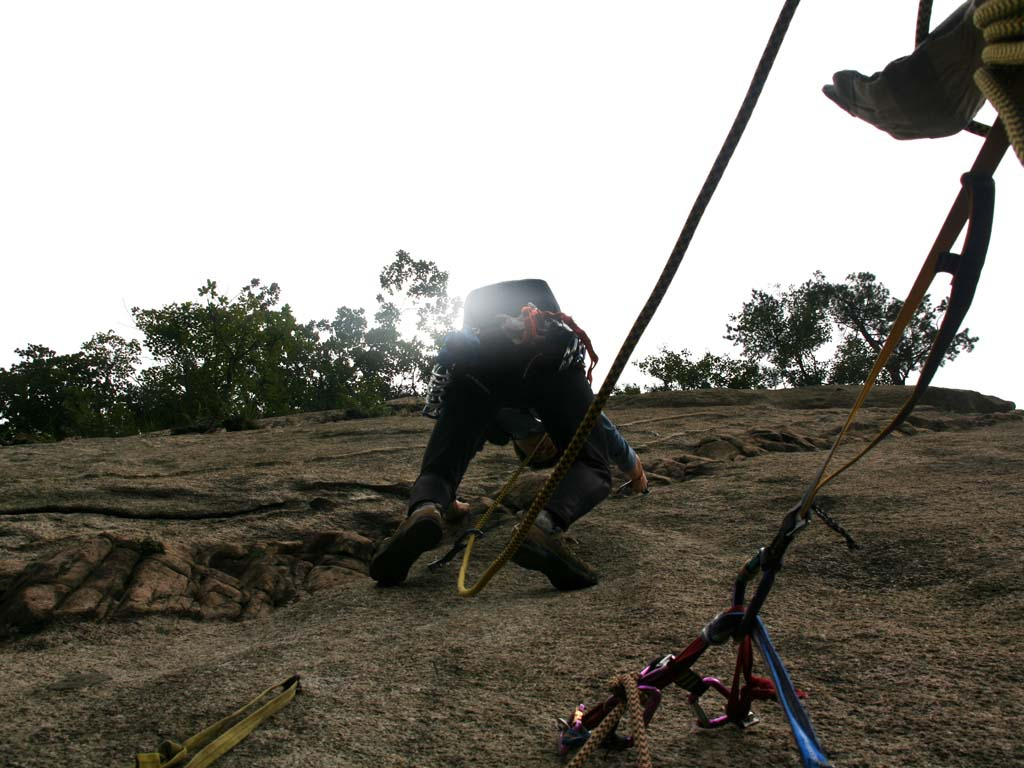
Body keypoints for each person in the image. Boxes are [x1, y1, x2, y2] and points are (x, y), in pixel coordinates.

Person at [369, 278, 647, 591]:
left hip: (478, 354)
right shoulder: (541, 407)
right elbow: (602, 429)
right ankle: (540, 529)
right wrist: (634, 468)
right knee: (594, 465)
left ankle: (425, 510)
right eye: (546, 450)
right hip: (542, 348)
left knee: (440, 469)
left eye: (539, 454)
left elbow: (456, 452)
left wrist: (451, 506)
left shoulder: (494, 424)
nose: (542, 447)